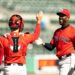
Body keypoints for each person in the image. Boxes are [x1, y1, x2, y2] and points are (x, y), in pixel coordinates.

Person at [35, 9, 75, 75]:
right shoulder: (57, 32)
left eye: (62, 15)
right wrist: (43, 43)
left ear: (68, 18)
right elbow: (51, 46)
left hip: (69, 59)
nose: (60, 17)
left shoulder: (73, 31)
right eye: (59, 15)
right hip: (61, 61)